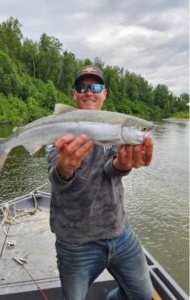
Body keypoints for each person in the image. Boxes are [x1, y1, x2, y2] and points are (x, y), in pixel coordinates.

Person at [46, 65, 154, 300]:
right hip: (75, 242)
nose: (89, 92)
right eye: (82, 87)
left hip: (119, 231)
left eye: (95, 86)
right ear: (74, 93)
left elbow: (111, 170)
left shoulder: (115, 128)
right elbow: (56, 178)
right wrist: (66, 167)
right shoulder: (61, 129)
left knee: (143, 295)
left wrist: (122, 166)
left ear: (104, 93)